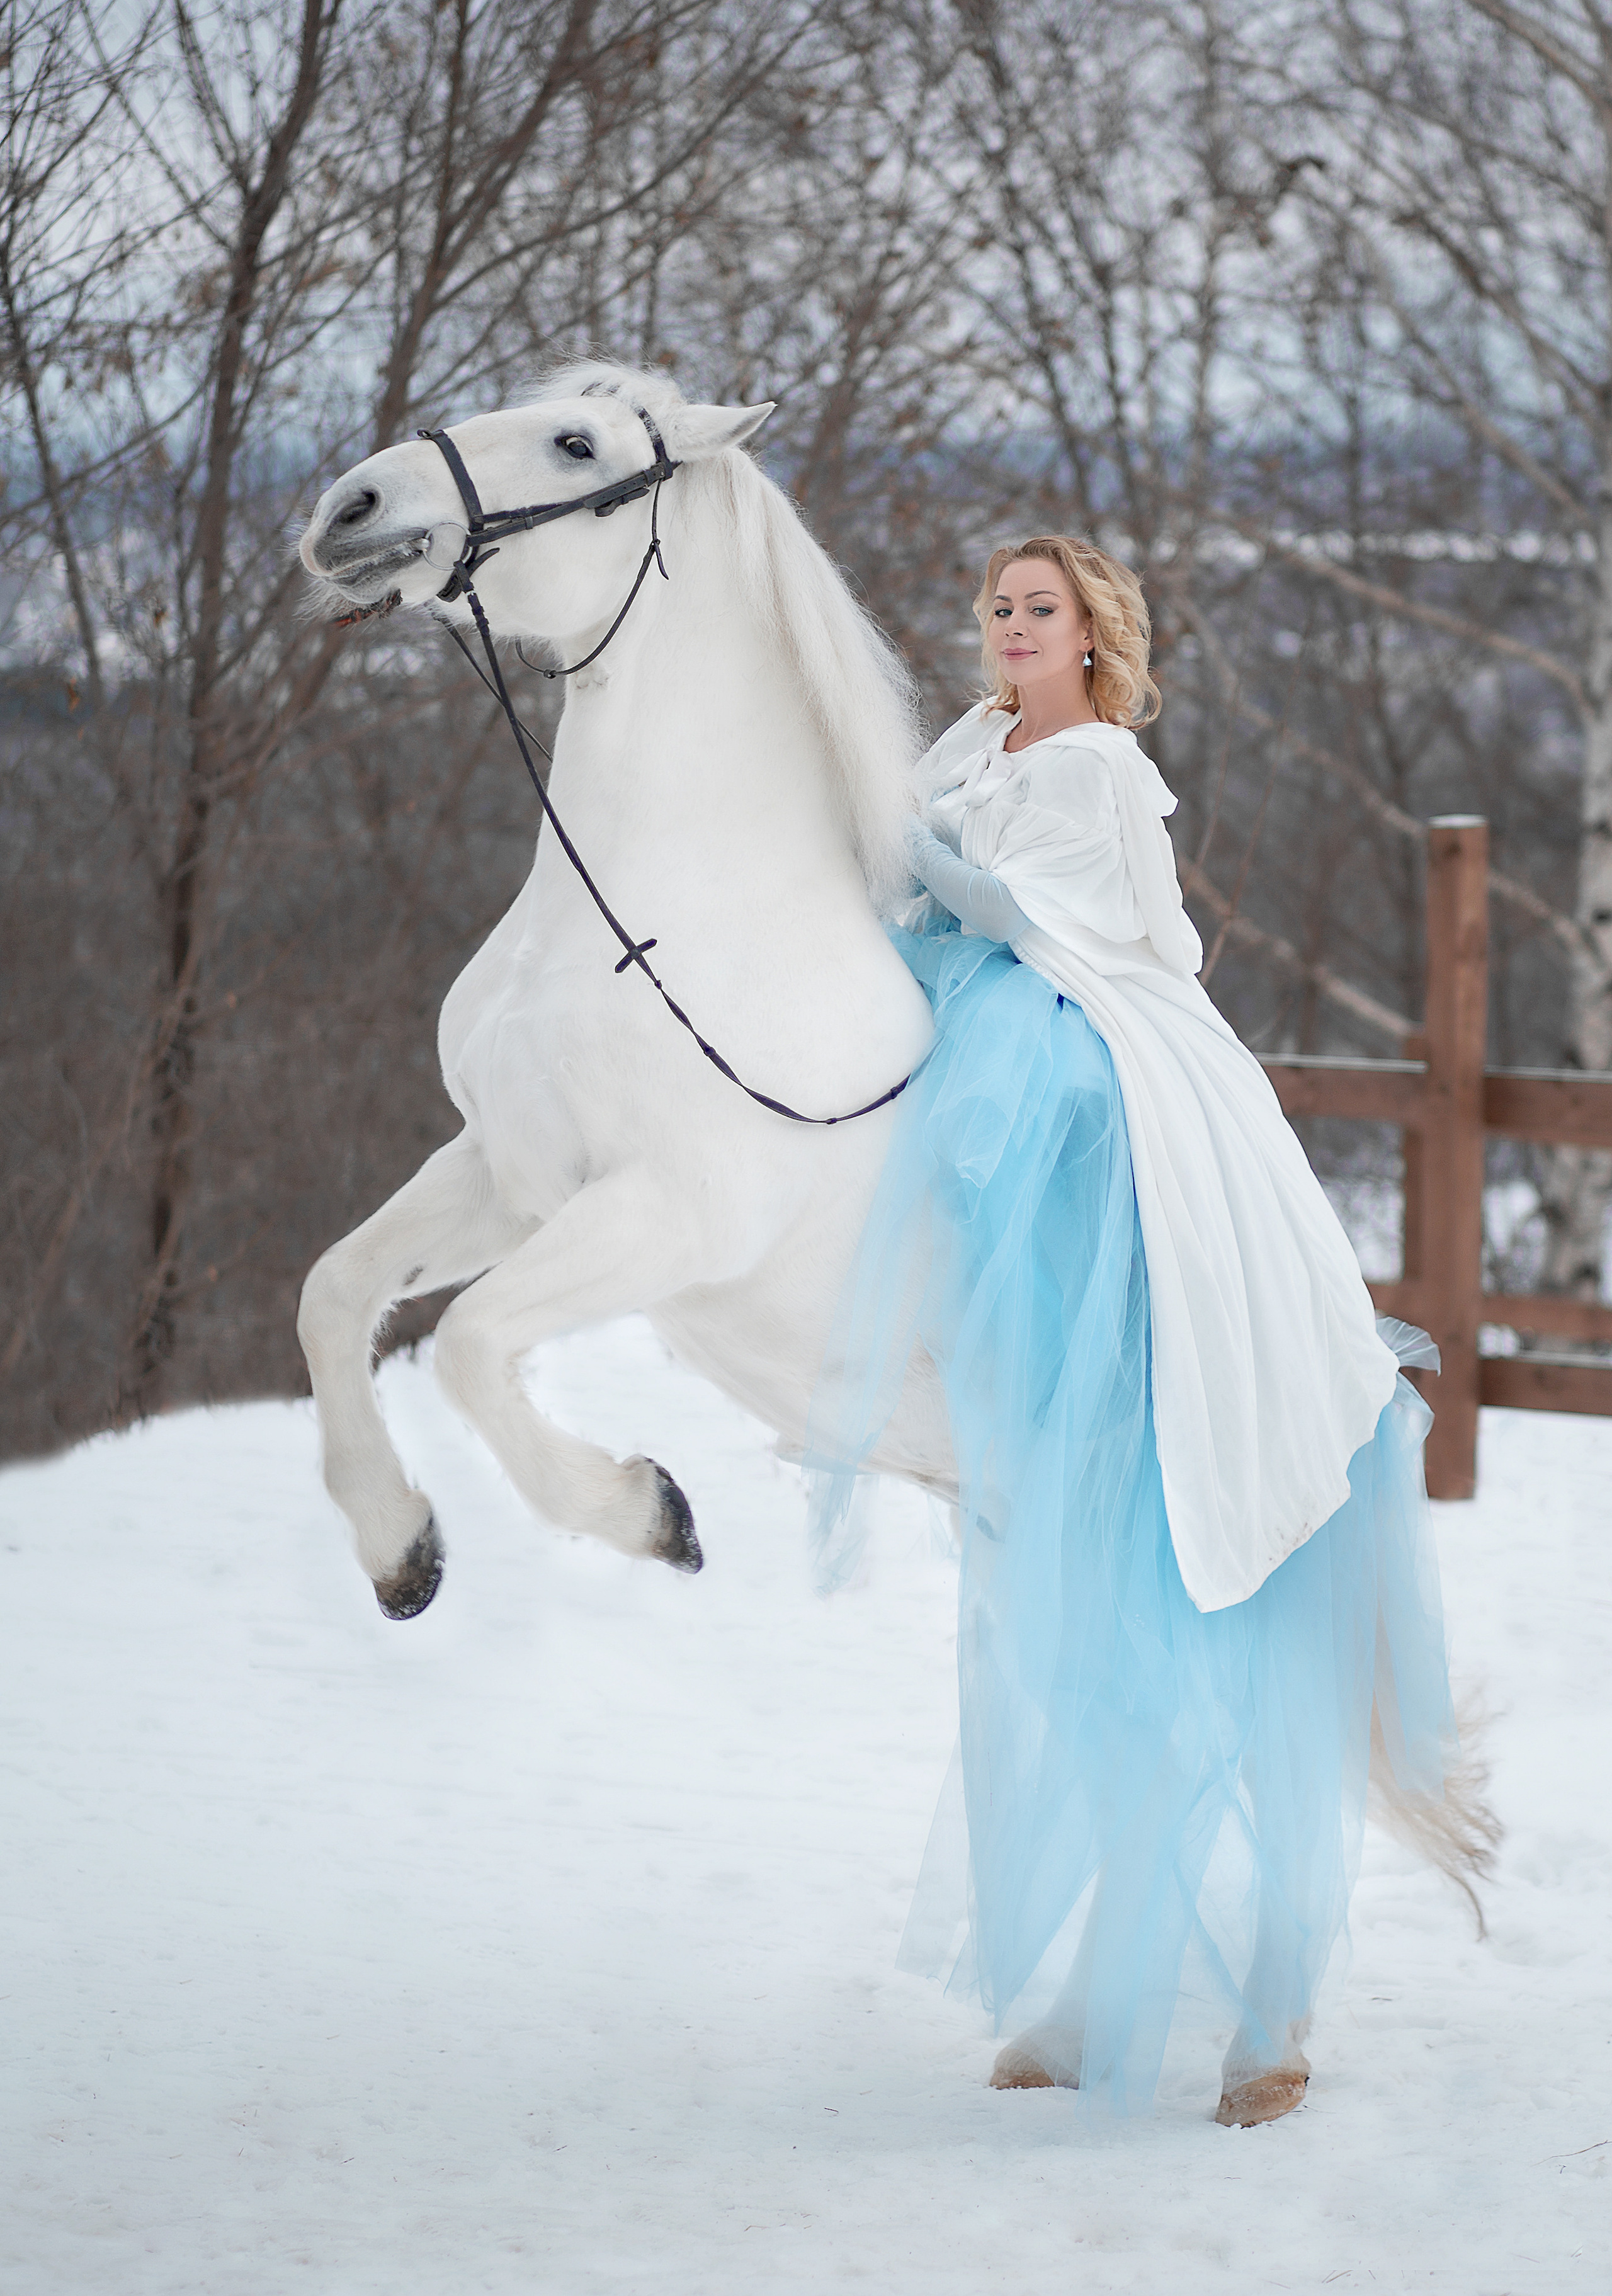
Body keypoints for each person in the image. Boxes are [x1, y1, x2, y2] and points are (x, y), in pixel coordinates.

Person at [807, 535, 1485, 2124]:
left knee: (1026, 1087)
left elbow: (1052, 926)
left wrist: (904, 841)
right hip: (980, 1000)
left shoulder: (1103, 766)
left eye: (1036, 608)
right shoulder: (973, 742)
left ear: (1089, 635)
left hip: (1079, 1018)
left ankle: (1269, 2006)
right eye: (993, 605)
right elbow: (904, 877)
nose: (1007, 624)